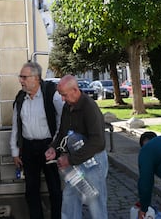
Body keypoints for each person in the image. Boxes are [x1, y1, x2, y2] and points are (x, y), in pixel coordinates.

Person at [45, 74, 108, 219]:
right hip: (75, 161)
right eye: (60, 95)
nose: (62, 99)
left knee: (95, 202)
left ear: (75, 90)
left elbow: (98, 142)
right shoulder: (68, 106)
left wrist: (70, 160)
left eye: (64, 95)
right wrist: (53, 148)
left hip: (93, 161)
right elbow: (63, 132)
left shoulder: (89, 107)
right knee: (70, 197)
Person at [10, 61, 64, 219]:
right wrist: (15, 151)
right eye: (20, 77)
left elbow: (62, 122)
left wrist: (55, 146)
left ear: (36, 78)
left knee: (54, 189)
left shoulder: (51, 93)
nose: (21, 80)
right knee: (31, 190)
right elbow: (15, 125)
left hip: (49, 147)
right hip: (28, 148)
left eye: (24, 77)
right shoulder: (21, 98)